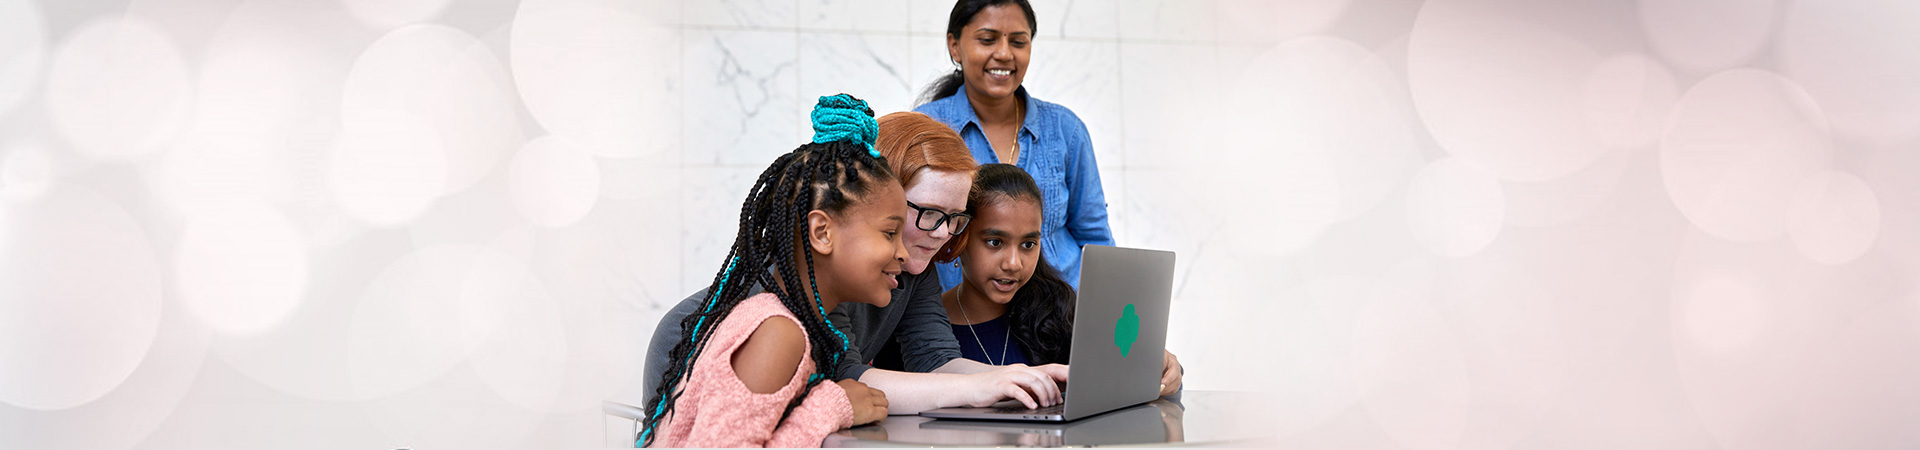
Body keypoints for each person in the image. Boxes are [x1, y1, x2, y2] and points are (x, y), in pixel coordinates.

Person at [643, 101, 1068, 434]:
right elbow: (842, 378)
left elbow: (934, 359)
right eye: (928, 214)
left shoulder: (914, 263)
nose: (942, 233)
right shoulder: (794, 297)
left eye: (956, 218)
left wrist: (1015, 378)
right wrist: (980, 387)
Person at [638, 94, 899, 447]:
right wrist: (831, 405)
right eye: (890, 233)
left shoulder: (786, 322)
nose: (902, 252)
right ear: (822, 233)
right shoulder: (779, 333)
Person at [916, 0, 1114, 291]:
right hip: (958, 323)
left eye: (1018, 42)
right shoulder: (926, 130)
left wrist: (1104, 323)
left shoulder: (1066, 129)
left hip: (1058, 318)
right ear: (955, 46)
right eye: (987, 39)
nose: (1005, 54)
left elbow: (1095, 240)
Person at [941, 164, 1184, 397]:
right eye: (995, 242)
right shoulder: (926, 325)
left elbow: (1120, 379)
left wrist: (1164, 369)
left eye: (1028, 244)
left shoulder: (1057, 311)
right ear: (960, 237)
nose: (1014, 263)